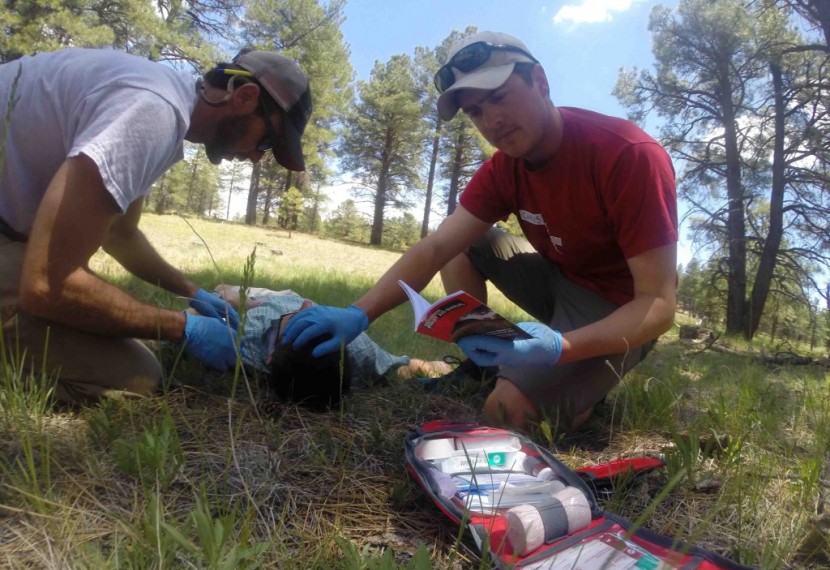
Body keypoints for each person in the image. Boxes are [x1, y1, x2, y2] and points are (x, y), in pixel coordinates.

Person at [281, 31, 678, 431]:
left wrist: (562, 347)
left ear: (540, 81)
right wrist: (358, 313)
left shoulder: (626, 155)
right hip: (560, 278)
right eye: (475, 112)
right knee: (461, 244)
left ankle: (577, 392)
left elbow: (659, 305)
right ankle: (480, 363)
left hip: (621, 306)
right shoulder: (504, 168)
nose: (492, 121)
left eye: (499, 97)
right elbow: (437, 247)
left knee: (506, 412)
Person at [0, 47, 312, 405]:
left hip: (12, 237)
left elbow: (121, 235)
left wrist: (193, 292)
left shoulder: (162, 98)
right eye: (267, 141)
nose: (258, 158)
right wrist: (184, 327)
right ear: (244, 96)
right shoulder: (152, 111)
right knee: (137, 377)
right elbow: (46, 284)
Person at [201, 285, 452, 408]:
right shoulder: (357, 348)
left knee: (222, 289)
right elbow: (400, 365)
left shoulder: (245, 338)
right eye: (308, 319)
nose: (308, 304)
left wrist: (227, 301)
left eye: (302, 320)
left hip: (267, 299)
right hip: (282, 296)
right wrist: (436, 367)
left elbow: (197, 312)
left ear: (270, 355)